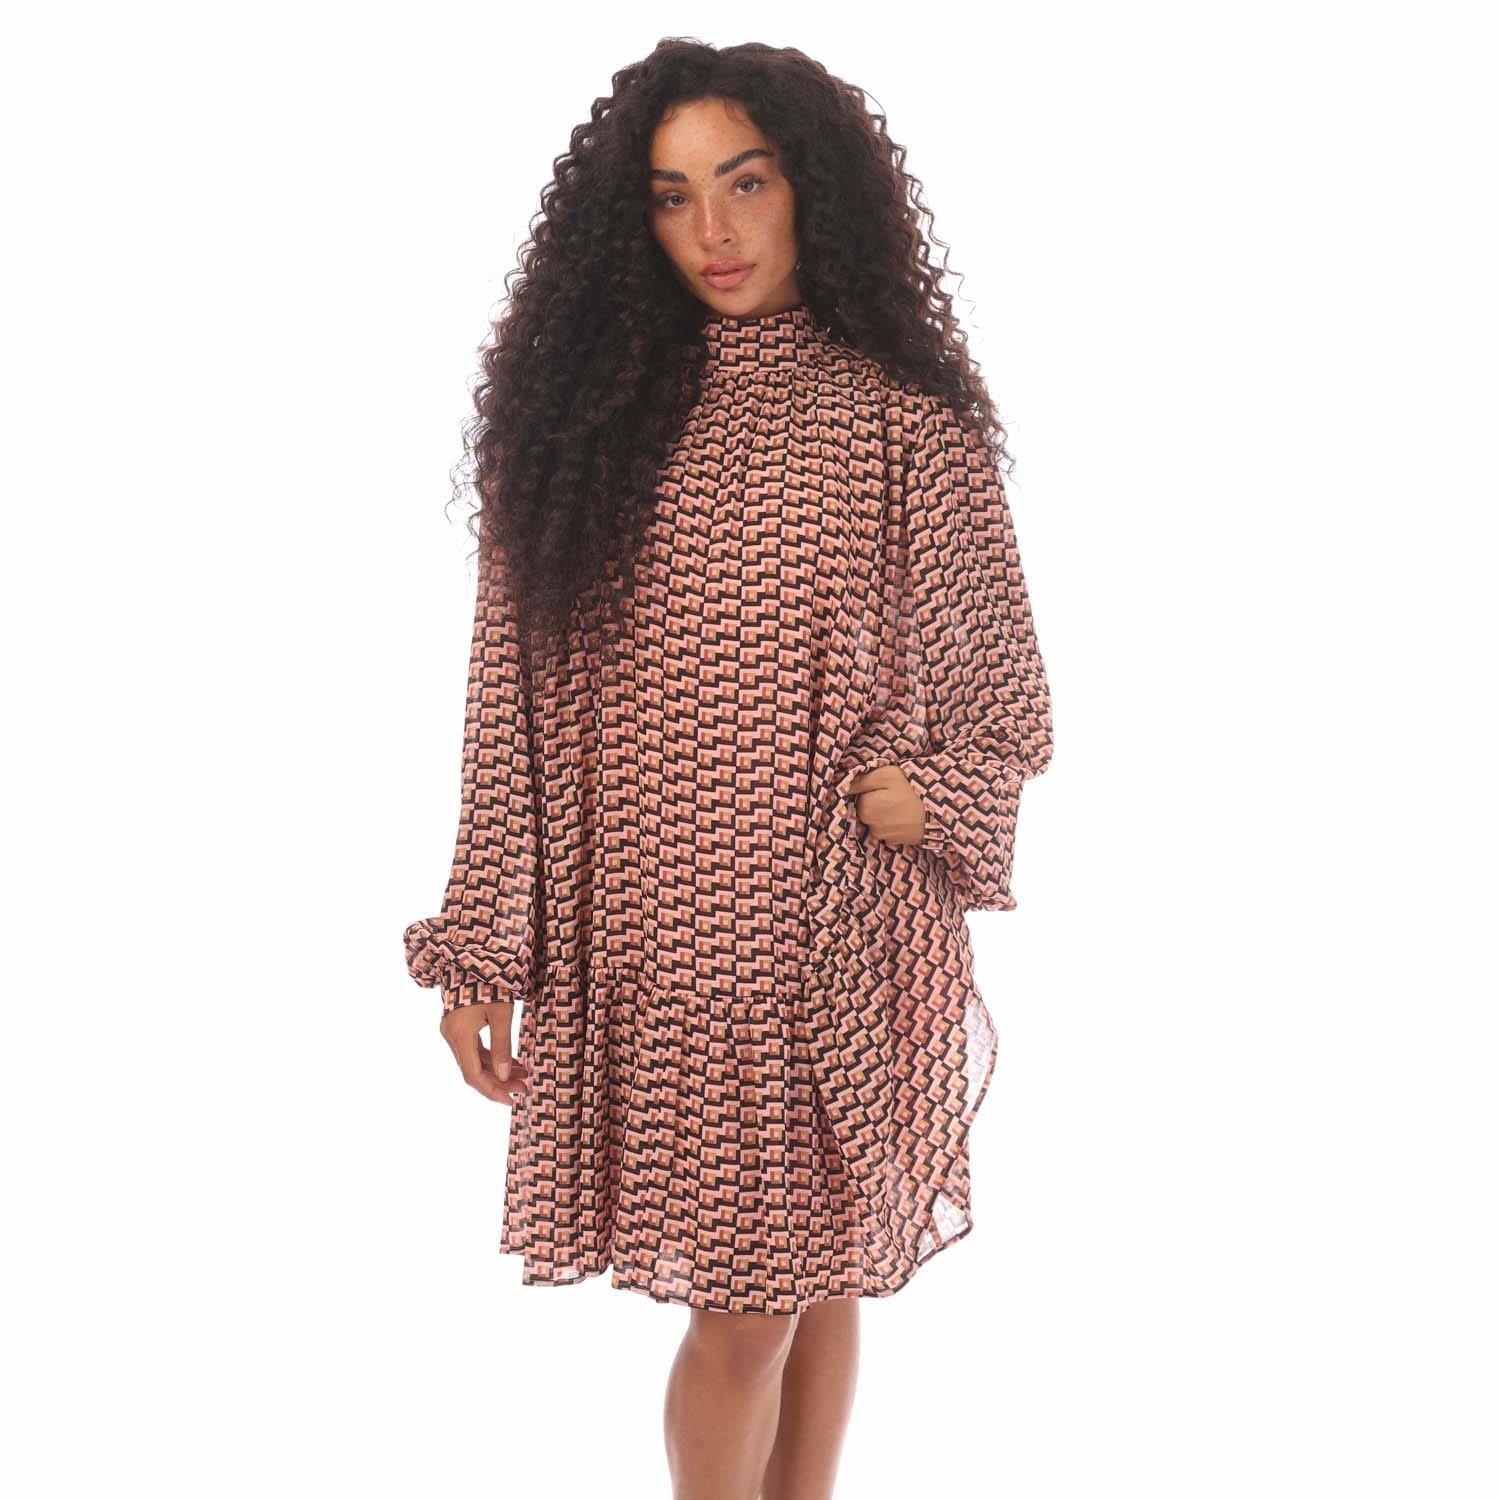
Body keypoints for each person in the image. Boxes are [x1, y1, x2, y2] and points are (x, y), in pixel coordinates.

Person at [401, 39, 1054, 1500]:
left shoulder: (905, 423)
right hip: (660, 943)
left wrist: (938, 795)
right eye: (673, 194)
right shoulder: (572, 436)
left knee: (816, 1277)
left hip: (841, 932)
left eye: (746, 183)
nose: (714, 228)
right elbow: (504, 714)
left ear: (811, 186)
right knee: (755, 1303)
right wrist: (484, 949)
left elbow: (1002, 693)